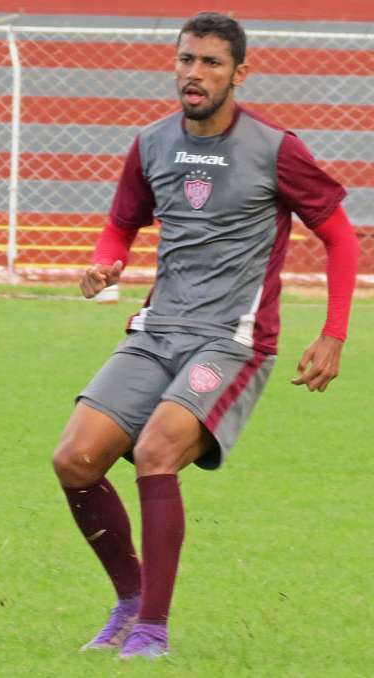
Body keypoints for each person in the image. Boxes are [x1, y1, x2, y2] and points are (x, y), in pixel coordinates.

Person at [51, 11, 360, 660]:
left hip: (232, 340)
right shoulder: (152, 143)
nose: (195, 74)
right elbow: (121, 224)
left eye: (211, 63)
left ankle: (153, 634)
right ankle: (130, 601)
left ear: (240, 74)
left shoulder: (278, 149)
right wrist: (105, 261)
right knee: (74, 459)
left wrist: (334, 333)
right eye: (187, 59)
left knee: (159, 449)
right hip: (156, 329)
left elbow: (337, 235)